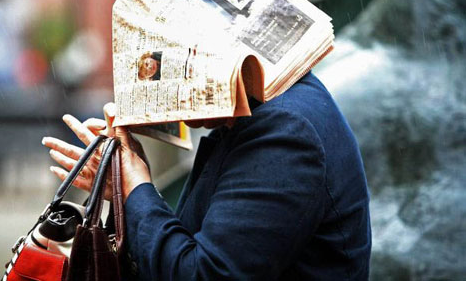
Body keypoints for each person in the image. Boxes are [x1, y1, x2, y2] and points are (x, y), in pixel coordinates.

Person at [42, 71, 371, 280]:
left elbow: (203, 273)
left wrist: (135, 187)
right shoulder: (271, 104)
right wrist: (124, 185)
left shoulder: (285, 133)